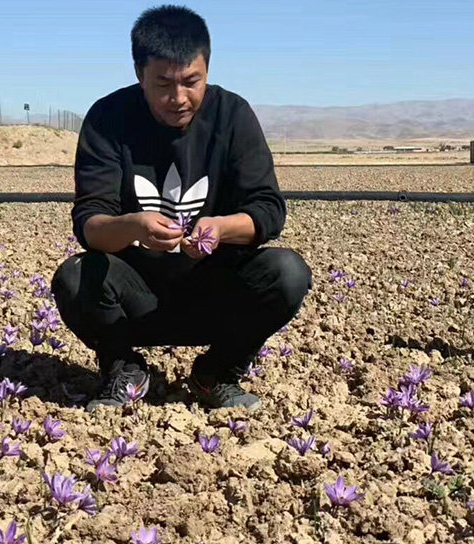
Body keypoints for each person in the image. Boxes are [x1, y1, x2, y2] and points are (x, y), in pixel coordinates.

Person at [51, 5, 312, 412]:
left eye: (192, 82)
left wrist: (220, 228)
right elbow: (90, 223)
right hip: (135, 299)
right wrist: (134, 226)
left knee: (287, 272)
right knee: (74, 277)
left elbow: (267, 210)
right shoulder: (107, 119)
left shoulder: (232, 115)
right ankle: (123, 367)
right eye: (163, 84)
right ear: (139, 73)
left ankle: (217, 374)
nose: (178, 98)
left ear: (208, 69)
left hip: (214, 293)